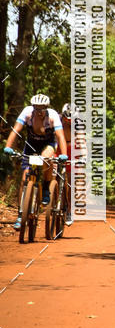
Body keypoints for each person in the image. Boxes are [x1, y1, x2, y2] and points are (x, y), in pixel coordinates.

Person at [3, 93, 68, 230]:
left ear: (47, 108)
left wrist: (64, 154)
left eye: (42, 109)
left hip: (48, 144)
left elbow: (60, 136)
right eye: (37, 109)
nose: (39, 112)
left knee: (47, 158)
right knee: (25, 177)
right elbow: (16, 130)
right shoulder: (27, 112)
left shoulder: (53, 116)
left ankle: (46, 186)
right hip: (31, 145)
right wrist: (8, 147)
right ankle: (21, 214)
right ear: (33, 108)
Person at [60, 103, 74, 227]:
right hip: (58, 148)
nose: (68, 121)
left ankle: (69, 210)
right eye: (66, 119)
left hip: (71, 151)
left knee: (70, 181)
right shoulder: (57, 119)